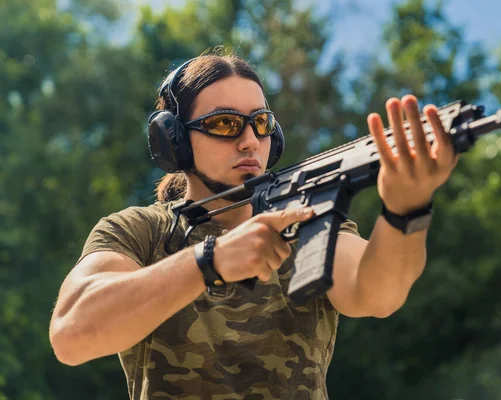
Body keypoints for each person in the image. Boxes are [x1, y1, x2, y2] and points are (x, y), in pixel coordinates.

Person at [49, 52, 459, 399]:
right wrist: (211, 261)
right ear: (173, 141)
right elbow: (72, 334)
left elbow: (378, 293)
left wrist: (406, 208)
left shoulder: (304, 223)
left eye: (261, 124)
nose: (250, 141)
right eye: (226, 124)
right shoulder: (141, 230)